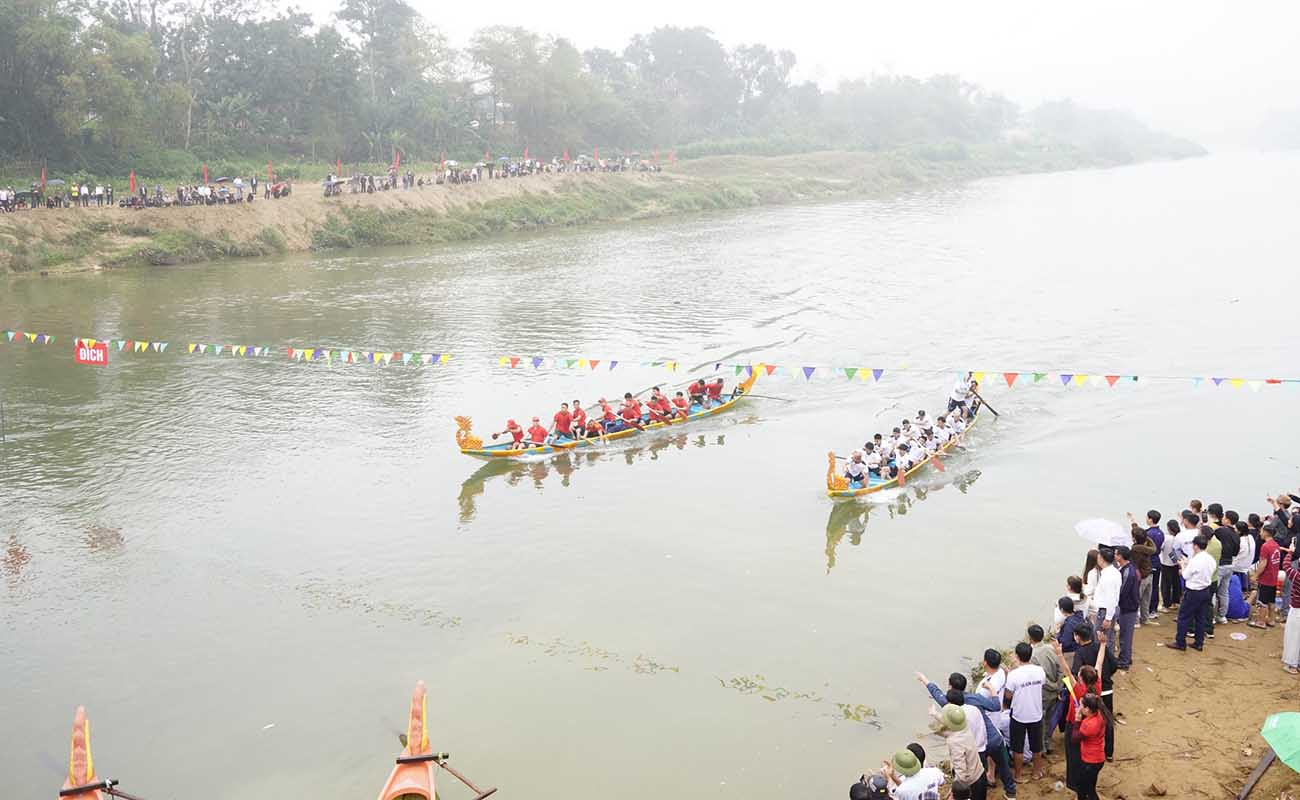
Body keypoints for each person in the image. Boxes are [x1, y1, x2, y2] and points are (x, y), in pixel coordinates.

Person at [917, 672, 1014, 799]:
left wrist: (925, 680)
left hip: (977, 749)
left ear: (950, 687)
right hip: (993, 739)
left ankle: (969, 794)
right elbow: (996, 706)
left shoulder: (950, 706)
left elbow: (937, 694)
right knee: (1002, 766)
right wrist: (992, 689)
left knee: (975, 776)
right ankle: (1011, 792)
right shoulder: (975, 701)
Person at [1051, 633, 1105, 793]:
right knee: (1083, 751)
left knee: (1073, 754)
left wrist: (1059, 654)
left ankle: (1074, 784)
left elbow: (1067, 671)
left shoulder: (1078, 689)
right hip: (1088, 728)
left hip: (1074, 722)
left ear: (1081, 680)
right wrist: (1102, 645)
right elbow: (1099, 663)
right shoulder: (1097, 686)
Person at [1070, 623, 1116, 761]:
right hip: (1106, 690)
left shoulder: (1080, 653)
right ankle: (1109, 752)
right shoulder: (1099, 648)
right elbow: (1113, 664)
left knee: (1090, 720)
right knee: (1107, 719)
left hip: (1089, 694)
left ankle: (1087, 748)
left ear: (1078, 637)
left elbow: (1073, 672)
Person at [1002, 642, 1046, 782]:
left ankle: (1019, 775)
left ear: (1017, 656)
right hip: (1036, 713)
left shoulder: (1014, 675)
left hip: (1019, 715)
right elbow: (1041, 685)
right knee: (1036, 746)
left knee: (1018, 747)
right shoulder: (1040, 671)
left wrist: (1005, 707)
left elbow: (1008, 695)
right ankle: (1036, 772)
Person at [928, 704, 987, 799]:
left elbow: (961, 771)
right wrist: (935, 714)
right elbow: (950, 721)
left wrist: (954, 793)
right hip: (979, 773)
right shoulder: (964, 726)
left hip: (971, 783)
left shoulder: (954, 742)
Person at [1171, 534, 1215, 651]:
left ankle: (1180, 642)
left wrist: (1182, 565)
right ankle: (1199, 642)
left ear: (1195, 546)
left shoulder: (1196, 560)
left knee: (1183, 617)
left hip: (1193, 591)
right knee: (1200, 618)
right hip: (1205, 590)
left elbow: (1185, 576)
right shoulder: (1210, 559)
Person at [1027, 625, 1061, 755]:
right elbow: (1060, 669)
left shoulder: (1033, 656)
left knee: (1040, 721)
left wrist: (1052, 686)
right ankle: (1048, 743)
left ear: (1030, 638)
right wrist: (1057, 686)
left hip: (1043, 693)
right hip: (1054, 692)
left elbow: (1040, 677)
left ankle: (1042, 747)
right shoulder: (1051, 648)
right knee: (1050, 719)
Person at [1127, 512, 1160, 624]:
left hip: (1141, 577)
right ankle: (1145, 618)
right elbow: (1141, 535)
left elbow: (1134, 564)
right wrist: (1133, 522)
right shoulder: (1149, 547)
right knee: (1146, 599)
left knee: (1136, 598)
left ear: (1134, 539)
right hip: (1149, 574)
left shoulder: (1135, 549)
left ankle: (1135, 621)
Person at [880, 744, 944, 800]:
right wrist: (893, 776)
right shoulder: (935, 772)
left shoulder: (901, 790)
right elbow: (942, 782)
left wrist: (888, 778)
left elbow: (894, 794)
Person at [1251, 523, 1282, 629]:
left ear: (1265, 532)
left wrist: (1255, 575)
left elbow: (1263, 563)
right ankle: (1271, 620)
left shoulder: (1265, 546)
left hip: (1266, 578)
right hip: (1273, 577)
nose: (1260, 533)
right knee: (1271, 600)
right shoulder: (1276, 545)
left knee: (1262, 601)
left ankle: (1261, 622)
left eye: (1261, 531)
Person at [1113, 546, 1140, 669]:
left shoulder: (1128, 572)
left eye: (1116, 554)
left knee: (1125, 635)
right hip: (1129, 606)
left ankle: (1124, 660)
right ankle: (1126, 657)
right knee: (1125, 634)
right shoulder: (1126, 569)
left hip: (1128, 607)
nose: (1114, 555)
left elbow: (1122, 591)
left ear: (1120, 556)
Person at [1092, 549, 1121, 651]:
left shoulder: (1108, 577)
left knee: (1101, 638)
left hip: (1106, 610)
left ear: (1101, 559)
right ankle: (1109, 660)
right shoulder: (1115, 572)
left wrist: (1108, 618)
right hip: (1110, 609)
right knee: (1110, 637)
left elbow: (1111, 598)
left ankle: (1103, 662)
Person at [1283, 542, 1300, 674]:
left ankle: (1291, 664)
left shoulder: (1297, 576)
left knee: (1293, 638)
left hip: (1296, 610)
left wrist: (1290, 552)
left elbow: (1286, 566)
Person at [1158, 518, 1183, 610]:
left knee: (1165, 585)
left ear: (1169, 528)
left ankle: (1166, 604)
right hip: (1177, 563)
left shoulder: (1167, 538)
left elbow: (1161, 548)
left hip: (1166, 563)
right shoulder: (1179, 537)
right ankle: (1176, 601)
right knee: (1176, 583)